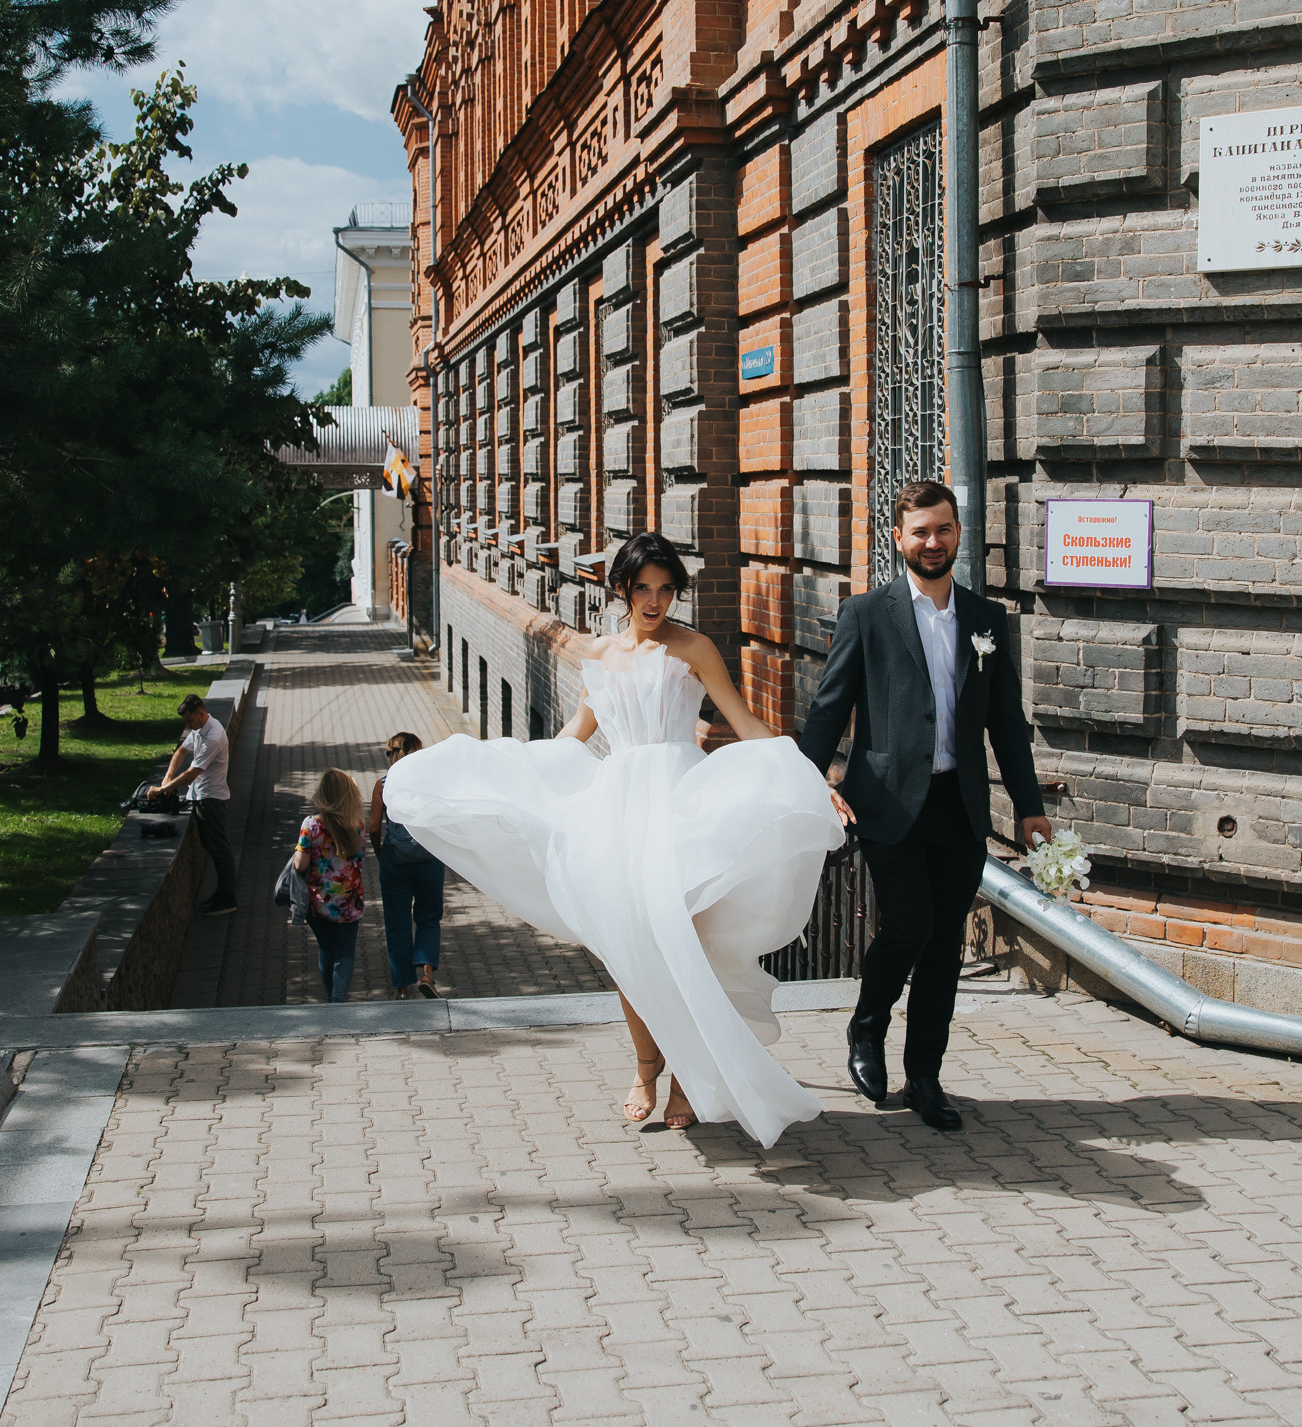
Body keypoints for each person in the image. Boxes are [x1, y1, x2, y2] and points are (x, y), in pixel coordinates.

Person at [383, 532, 847, 1147]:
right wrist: (511, 772)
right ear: (623, 589)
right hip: (618, 812)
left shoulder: (695, 648)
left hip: (684, 808)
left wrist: (811, 777)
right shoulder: (598, 655)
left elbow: (742, 721)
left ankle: (686, 1075)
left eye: (665, 589)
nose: (655, 601)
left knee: (686, 940)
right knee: (624, 946)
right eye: (643, 588)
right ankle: (645, 1063)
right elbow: (576, 733)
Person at [796, 479, 1051, 1134]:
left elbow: (1006, 722)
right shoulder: (866, 614)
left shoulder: (987, 621)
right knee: (907, 927)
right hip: (886, 802)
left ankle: (925, 1076)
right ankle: (866, 1025)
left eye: (942, 529)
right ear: (898, 538)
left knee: (942, 944)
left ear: (958, 533)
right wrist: (799, 782)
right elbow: (829, 708)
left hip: (958, 806)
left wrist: (1028, 804)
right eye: (919, 532)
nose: (932, 542)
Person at [368, 732, 445, 998]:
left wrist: (381, 854)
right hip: (428, 860)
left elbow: (375, 826)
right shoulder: (429, 783)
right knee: (428, 918)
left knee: (397, 923)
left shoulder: (384, 784)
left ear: (392, 754)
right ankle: (426, 974)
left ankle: (402, 988)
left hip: (395, 862)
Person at [157, 692, 238, 916]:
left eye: (190, 721)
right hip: (202, 796)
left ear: (201, 714)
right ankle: (223, 893)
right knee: (214, 846)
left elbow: (193, 772)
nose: (188, 726)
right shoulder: (200, 729)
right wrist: (168, 776)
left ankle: (227, 896)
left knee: (219, 848)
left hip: (211, 799)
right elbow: (182, 750)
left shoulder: (213, 736)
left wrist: (164, 789)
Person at [295, 768, 369, 1002]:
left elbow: (300, 865)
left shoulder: (311, 825)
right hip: (349, 902)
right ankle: (338, 1001)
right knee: (344, 953)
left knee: (326, 948)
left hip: (319, 903)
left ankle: (331, 998)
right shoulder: (357, 824)